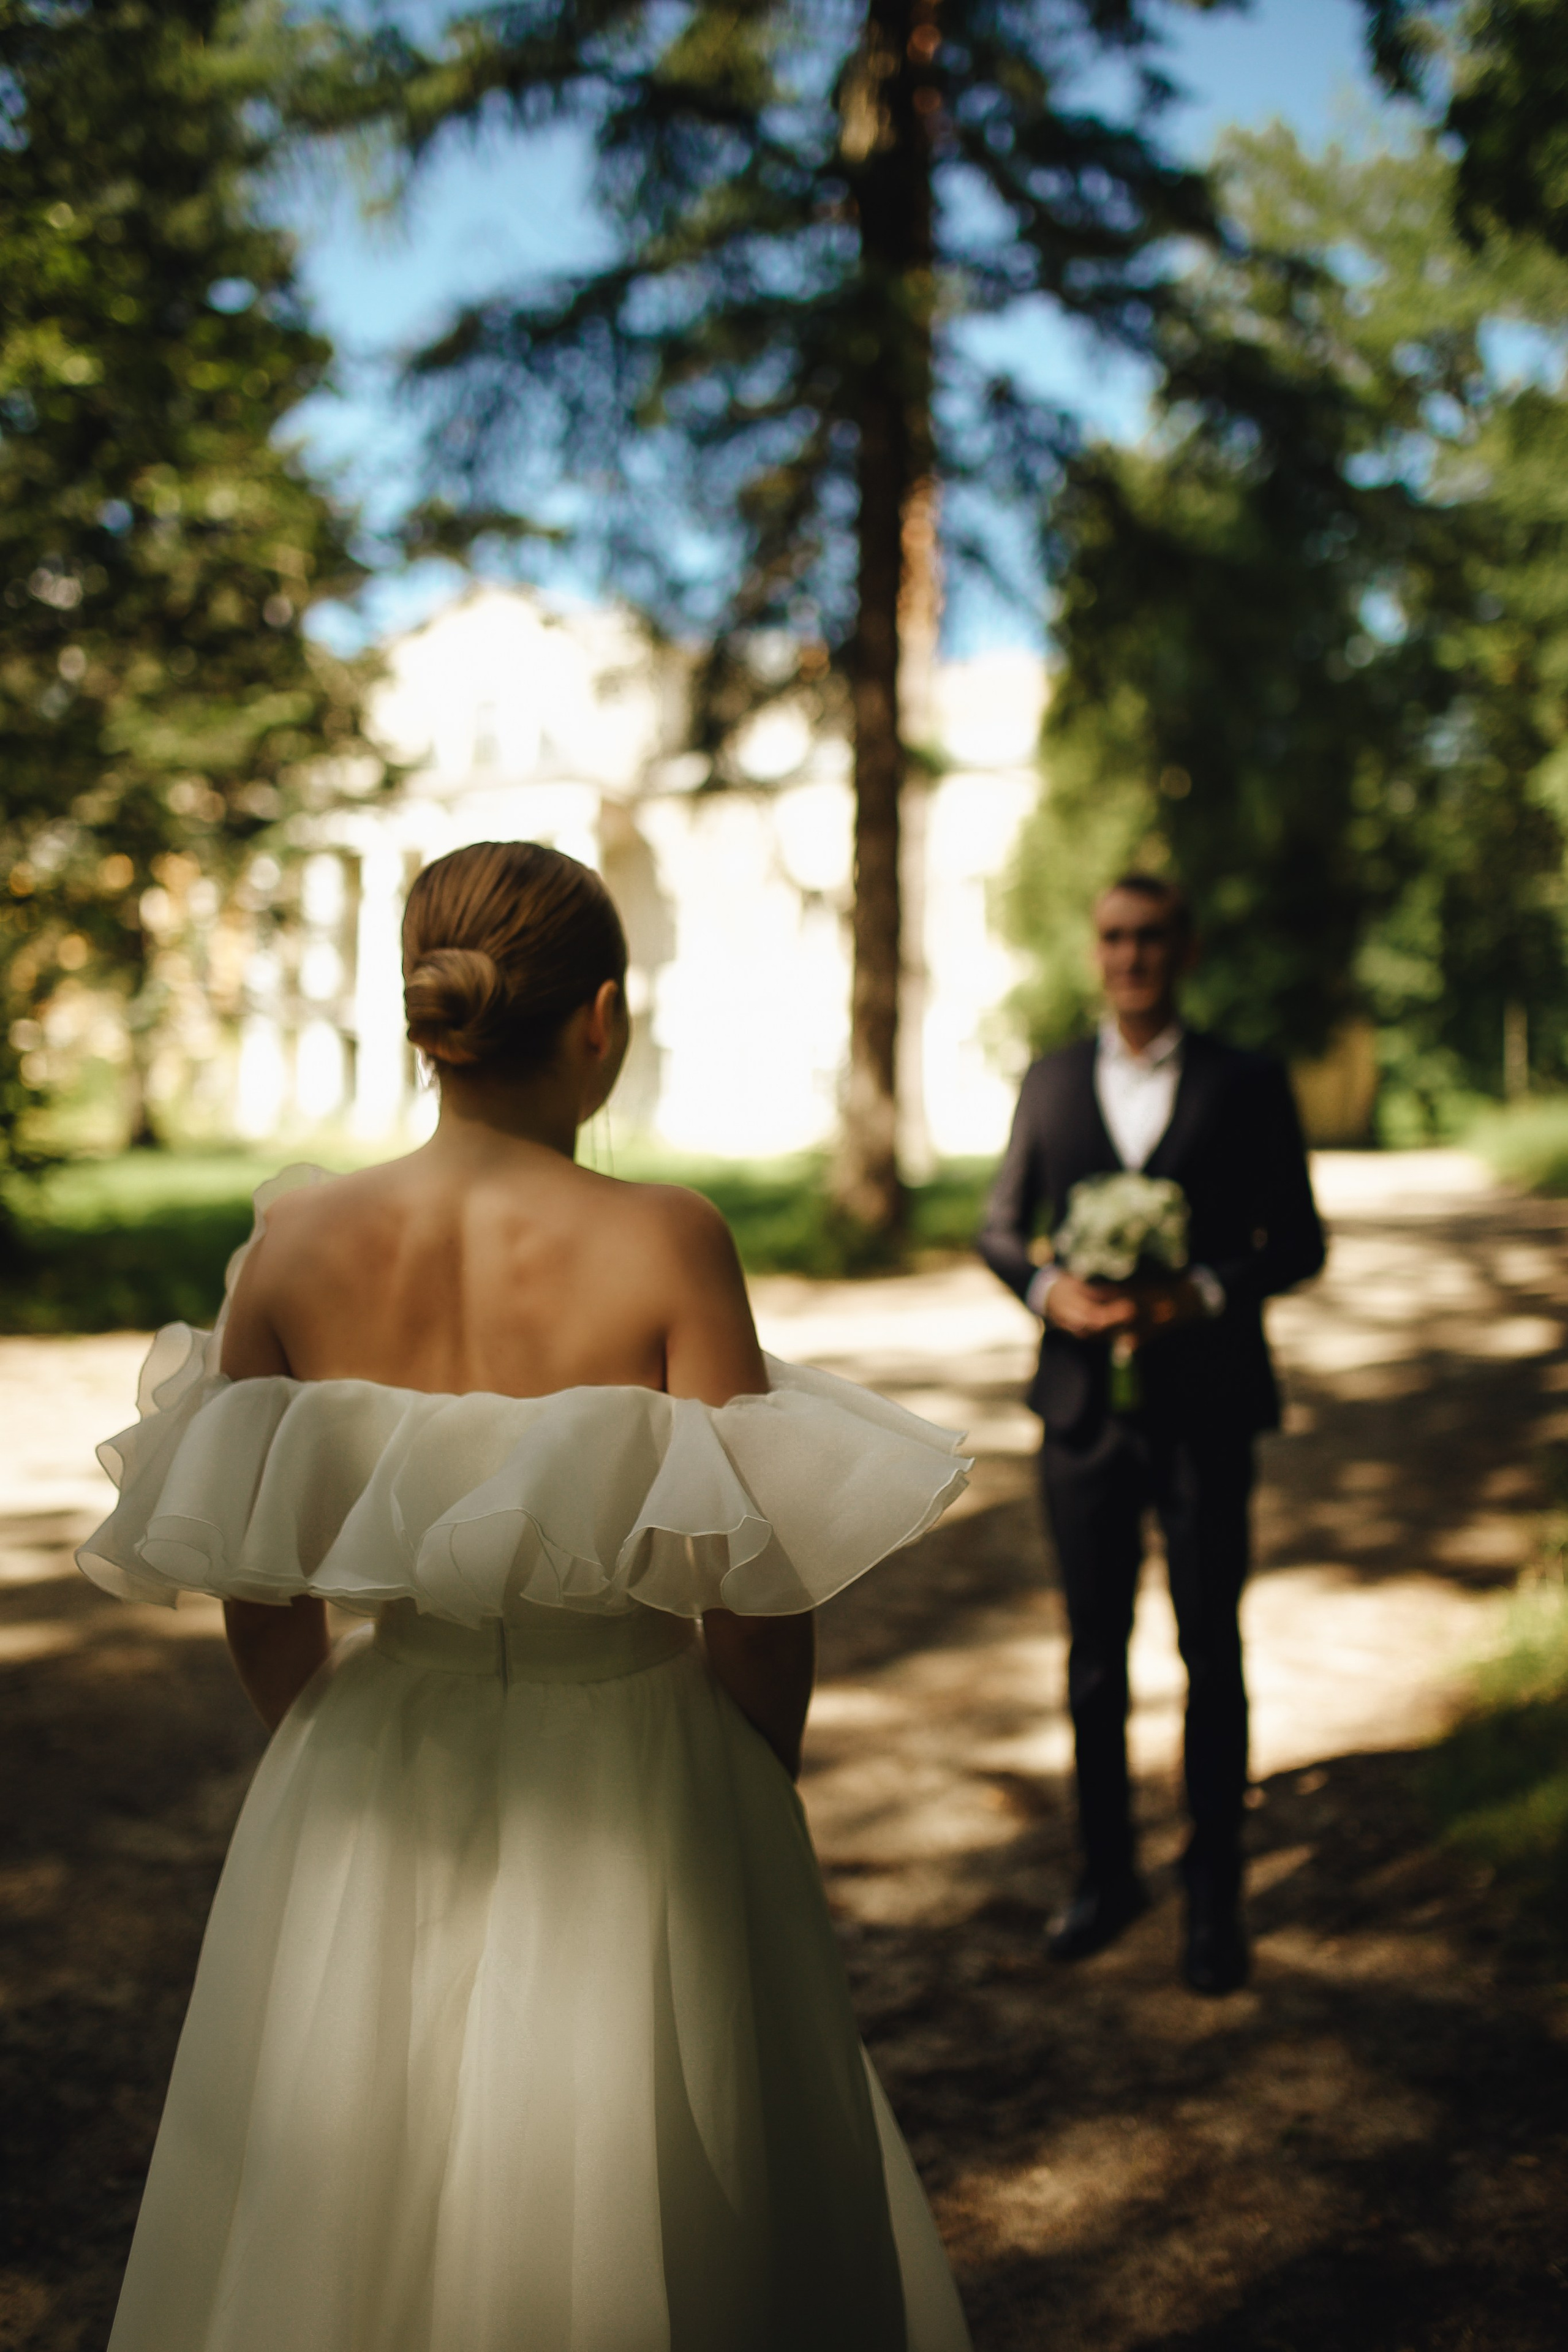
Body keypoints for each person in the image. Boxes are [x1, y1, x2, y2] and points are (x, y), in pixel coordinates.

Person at [78, 839, 974, 2352]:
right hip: (635, 1747)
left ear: (427, 1014)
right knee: (641, 2158)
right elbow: (749, 1585)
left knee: (354, 2169)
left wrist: (333, 1742)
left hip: (368, 1754)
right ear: (600, 1019)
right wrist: (747, 1781)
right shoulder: (668, 1239)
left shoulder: (293, 1244)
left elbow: (255, 1577)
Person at [978, 872, 1324, 1995]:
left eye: (1153, 938)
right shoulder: (1051, 1080)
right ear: (1097, 950)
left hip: (1207, 1415)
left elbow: (1299, 1243)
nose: (1132, 956)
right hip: (1082, 1419)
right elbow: (999, 1227)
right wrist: (1045, 1290)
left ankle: (1214, 1897)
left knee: (1209, 1652)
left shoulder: (1246, 1081)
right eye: (1116, 937)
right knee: (1091, 1660)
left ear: (1186, 948)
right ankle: (1106, 1875)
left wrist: (1206, 1295)